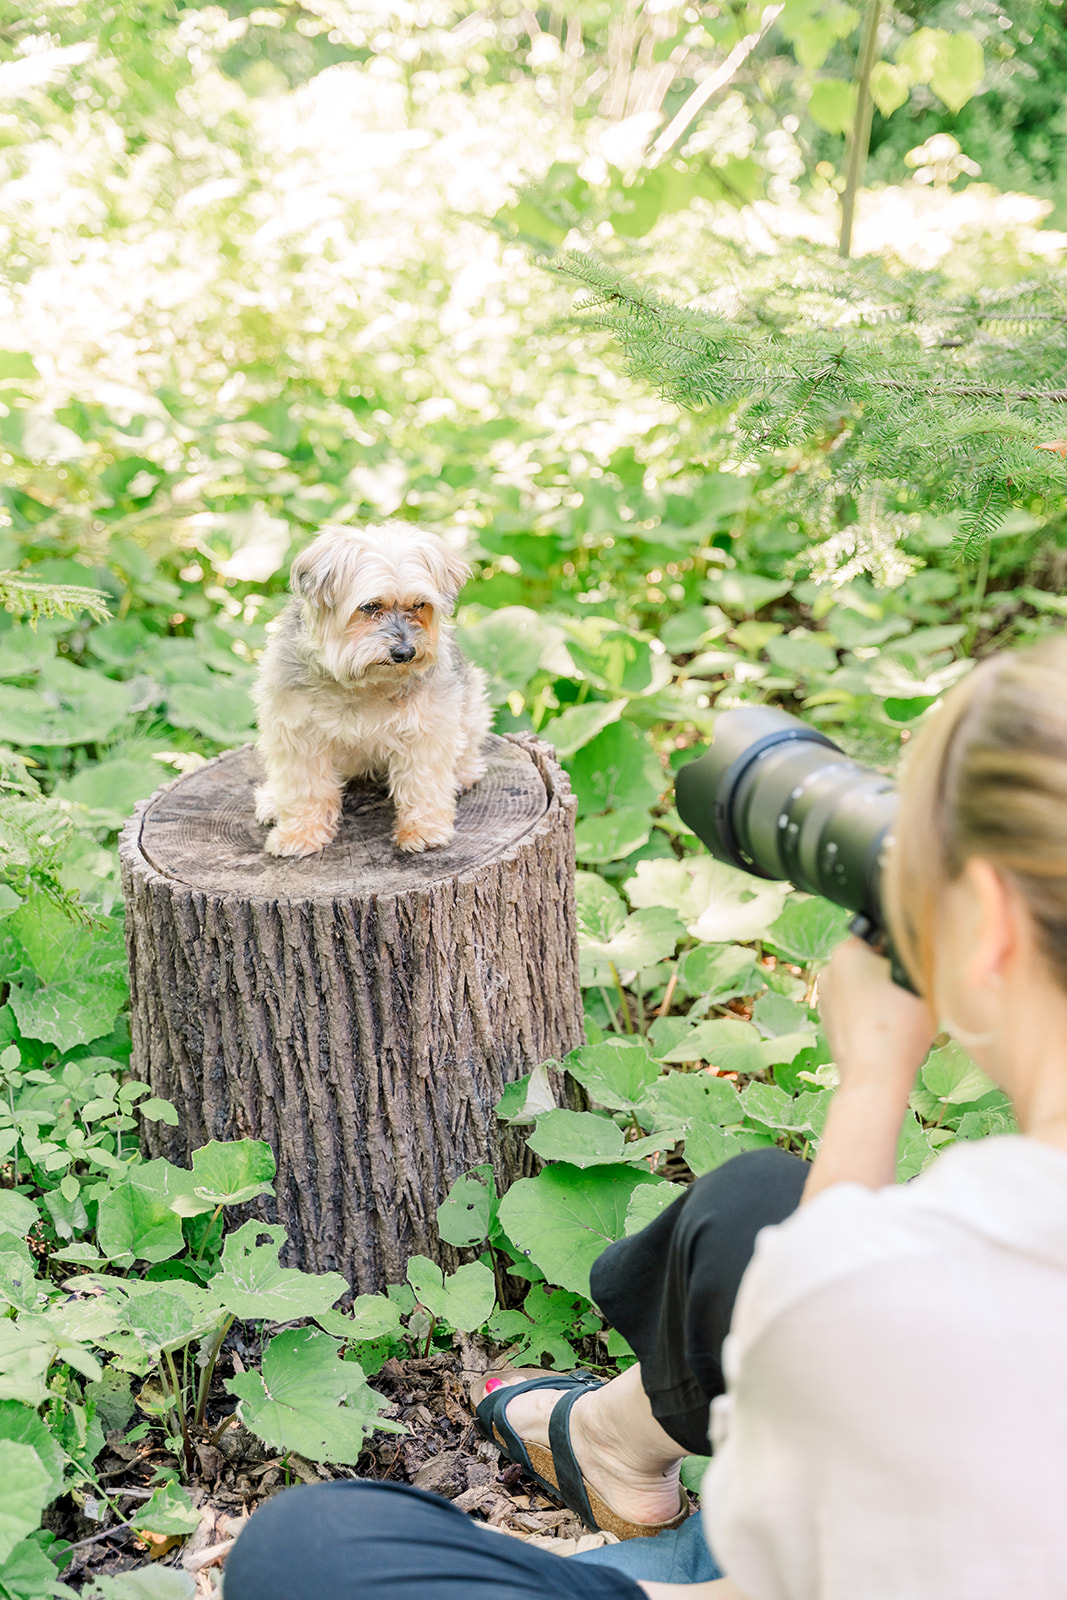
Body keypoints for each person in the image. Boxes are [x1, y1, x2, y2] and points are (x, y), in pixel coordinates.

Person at [224, 634, 1067, 1600]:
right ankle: (612, 1443)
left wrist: (873, 1079)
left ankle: (655, 1542)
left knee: (312, 1556)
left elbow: (810, 1536)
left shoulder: (936, 1273)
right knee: (757, 1207)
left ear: (992, 928)